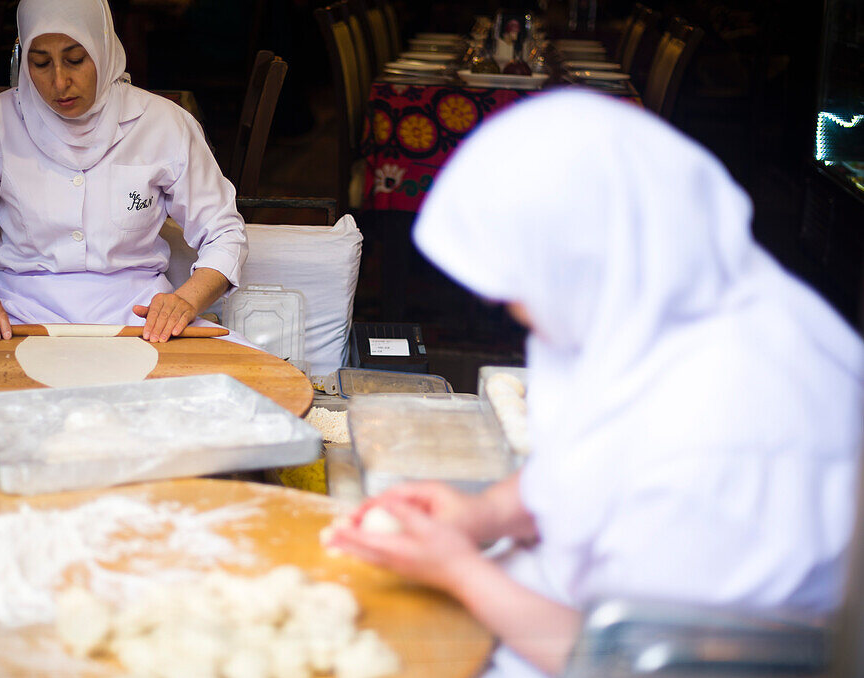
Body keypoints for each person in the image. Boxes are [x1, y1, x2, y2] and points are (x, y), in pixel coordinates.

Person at [328, 91, 864, 677]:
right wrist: (485, 515)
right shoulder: (642, 299)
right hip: (567, 604)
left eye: (519, 286)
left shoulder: (735, 430)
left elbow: (634, 661)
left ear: (578, 265)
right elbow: (589, 464)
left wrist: (461, 571)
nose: (504, 304)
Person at [0, 0, 247, 343]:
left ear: (102, 47)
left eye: (74, 59)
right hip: (19, 322)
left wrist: (185, 300)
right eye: (39, 62)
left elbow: (224, 230)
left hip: (139, 320)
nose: (59, 82)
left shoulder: (164, 124)